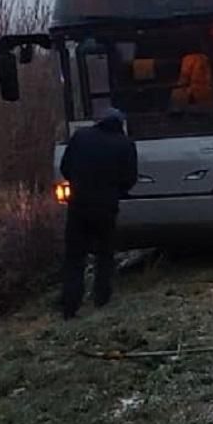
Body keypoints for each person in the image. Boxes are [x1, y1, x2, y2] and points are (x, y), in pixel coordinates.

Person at [58, 106, 138, 319]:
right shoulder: (125, 144)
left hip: (78, 206)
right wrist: (115, 190)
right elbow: (130, 179)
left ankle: (70, 305)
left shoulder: (81, 137)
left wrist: (79, 184)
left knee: (75, 257)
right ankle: (101, 299)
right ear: (120, 124)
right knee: (105, 255)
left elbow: (65, 168)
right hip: (106, 208)